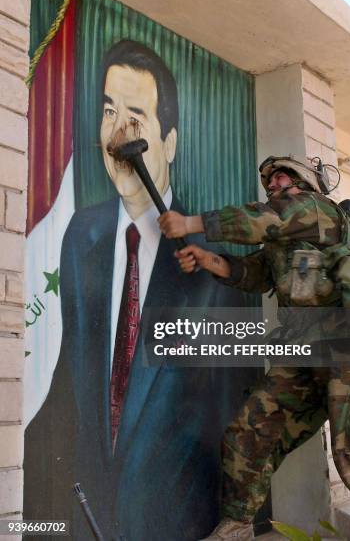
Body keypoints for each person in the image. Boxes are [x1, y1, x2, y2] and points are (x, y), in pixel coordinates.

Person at [24, 40, 252, 541]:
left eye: (136, 115)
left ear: (168, 142)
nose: (118, 130)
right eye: (109, 111)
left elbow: (232, 409)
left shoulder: (215, 260)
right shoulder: (81, 234)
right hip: (87, 521)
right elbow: (68, 381)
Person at [159, 156, 350, 541]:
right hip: (304, 355)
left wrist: (190, 224)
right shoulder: (284, 242)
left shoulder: (316, 209)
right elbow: (253, 273)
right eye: (268, 184)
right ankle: (237, 526)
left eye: (280, 177)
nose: (272, 186)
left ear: (304, 182)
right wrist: (207, 260)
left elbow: (263, 219)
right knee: (249, 432)